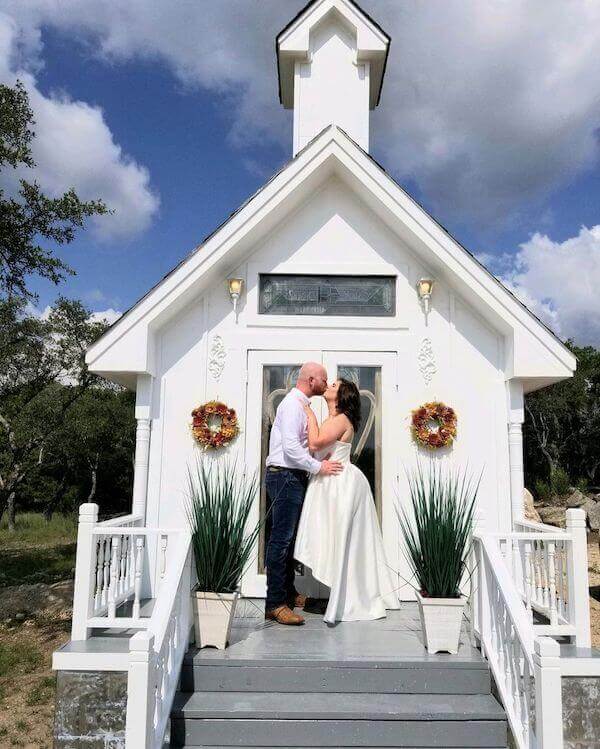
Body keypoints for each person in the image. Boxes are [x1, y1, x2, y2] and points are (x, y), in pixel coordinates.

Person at [294, 378, 399, 623]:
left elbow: (315, 442)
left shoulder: (341, 420)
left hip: (341, 484)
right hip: (328, 483)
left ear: (342, 395)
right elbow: (315, 450)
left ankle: (349, 597)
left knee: (342, 538)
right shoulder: (332, 419)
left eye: (334, 384)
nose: (329, 385)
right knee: (329, 535)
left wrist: (308, 412)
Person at [264, 362, 343, 625]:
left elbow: (302, 446)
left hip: (292, 476)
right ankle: (275, 603)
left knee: (288, 540)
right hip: (284, 475)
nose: (326, 382)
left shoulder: (300, 406)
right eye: (324, 379)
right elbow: (290, 450)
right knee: (281, 540)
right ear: (311, 380)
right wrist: (319, 466)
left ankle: (288, 593)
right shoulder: (292, 406)